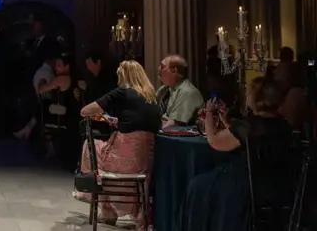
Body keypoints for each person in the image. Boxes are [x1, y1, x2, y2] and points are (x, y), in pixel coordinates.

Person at [175, 77, 293, 231]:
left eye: (248, 93)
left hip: (249, 183)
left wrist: (209, 114)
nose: (246, 96)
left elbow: (215, 142)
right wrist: (228, 122)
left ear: (257, 98)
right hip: (276, 183)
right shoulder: (282, 124)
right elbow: (247, 139)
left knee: (197, 186)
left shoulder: (250, 124)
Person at [74, 60, 162, 230]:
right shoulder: (151, 96)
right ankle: (112, 212)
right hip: (145, 159)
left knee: (90, 146)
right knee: (103, 153)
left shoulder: (122, 92)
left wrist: (99, 114)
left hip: (126, 157)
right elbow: (138, 122)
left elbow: (85, 111)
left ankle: (107, 210)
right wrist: (115, 120)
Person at [157, 55, 203, 127]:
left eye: (162, 66)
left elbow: (174, 124)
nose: (159, 69)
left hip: (175, 135)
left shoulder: (188, 92)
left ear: (174, 70)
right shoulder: (163, 90)